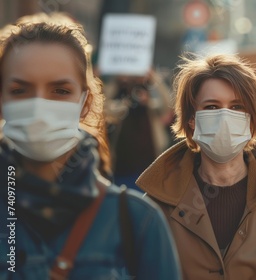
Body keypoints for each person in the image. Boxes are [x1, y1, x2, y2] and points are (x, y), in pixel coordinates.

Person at [0, 13, 180, 279]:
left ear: (85, 103)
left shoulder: (137, 221)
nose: (39, 106)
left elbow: (165, 108)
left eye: (60, 90)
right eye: (20, 90)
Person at [136, 54, 256, 279]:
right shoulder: (155, 207)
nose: (225, 116)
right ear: (192, 120)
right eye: (212, 106)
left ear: (252, 118)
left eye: (236, 106)